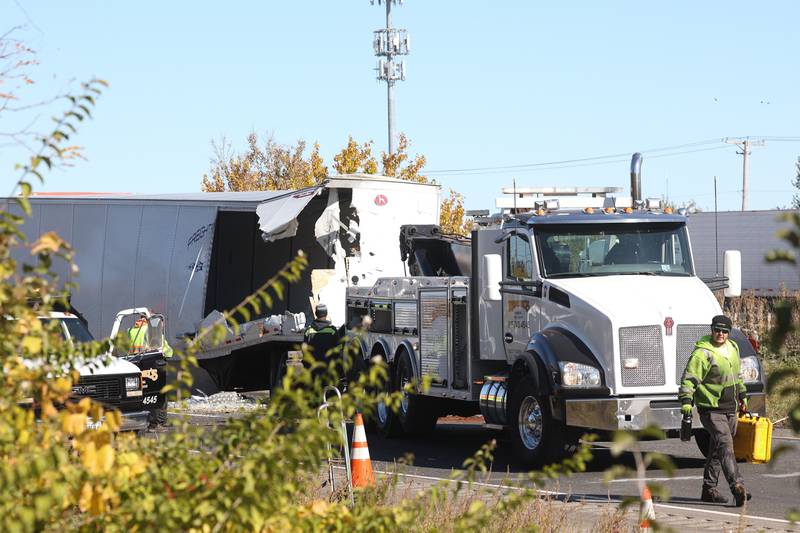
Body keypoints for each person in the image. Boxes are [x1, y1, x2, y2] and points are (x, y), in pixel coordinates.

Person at [679, 314, 750, 506]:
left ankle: (708, 490)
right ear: (712, 330)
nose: (720, 334)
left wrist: (742, 396)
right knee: (725, 445)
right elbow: (689, 379)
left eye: (724, 331)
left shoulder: (733, 348)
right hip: (711, 409)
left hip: (730, 408)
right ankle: (738, 487)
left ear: (729, 332)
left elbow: (738, 376)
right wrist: (686, 400)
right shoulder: (703, 353)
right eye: (717, 330)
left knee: (718, 449)